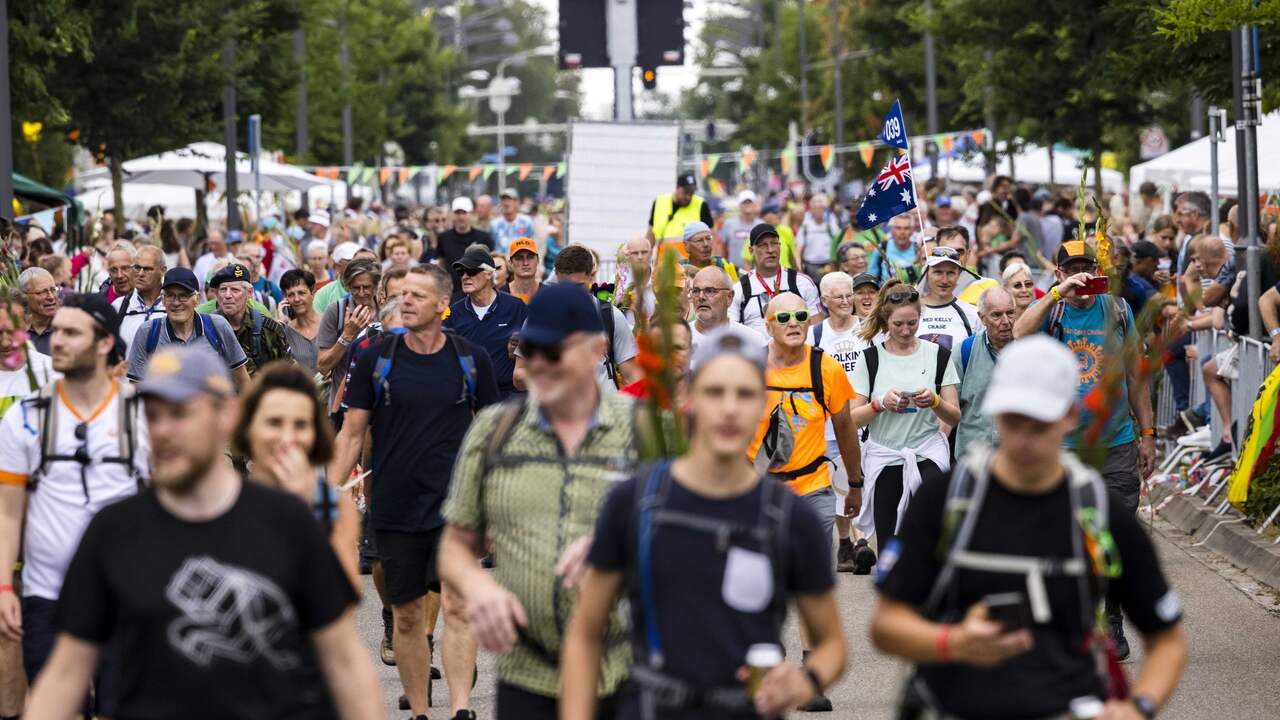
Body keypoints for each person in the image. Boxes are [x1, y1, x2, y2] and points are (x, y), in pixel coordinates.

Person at [24, 344, 381, 719]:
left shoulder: (291, 522)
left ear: (226, 414)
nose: (161, 430)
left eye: (179, 414)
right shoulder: (114, 531)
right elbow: (65, 674)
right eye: (151, 416)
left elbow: (344, 662)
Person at [870, 336, 1187, 720]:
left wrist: (1139, 707)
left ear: (1070, 415)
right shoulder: (946, 498)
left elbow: (1167, 638)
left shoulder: (1097, 511)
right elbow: (886, 624)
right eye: (1012, 420)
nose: (1023, 438)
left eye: (1039, 423)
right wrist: (953, 643)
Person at [561, 325, 848, 720]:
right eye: (715, 392)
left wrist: (807, 680)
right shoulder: (635, 502)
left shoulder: (789, 517)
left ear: (763, 404)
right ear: (692, 399)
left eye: (745, 394)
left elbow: (832, 644)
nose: (730, 408)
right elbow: (586, 633)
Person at [438, 282, 641, 720]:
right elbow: (455, 545)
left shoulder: (644, 433)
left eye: (554, 353)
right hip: (527, 676)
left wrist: (613, 548)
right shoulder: (494, 432)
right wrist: (477, 587)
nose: (538, 366)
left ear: (596, 350)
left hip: (624, 672)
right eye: (529, 352)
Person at [329, 264, 500, 720]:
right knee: (405, 616)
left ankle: (462, 708)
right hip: (396, 506)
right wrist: (324, 496)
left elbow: (490, 437)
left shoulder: (470, 359)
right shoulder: (376, 359)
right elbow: (349, 435)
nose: (405, 301)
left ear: (442, 305)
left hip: (457, 507)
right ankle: (421, 712)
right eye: (403, 294)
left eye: (417, 295)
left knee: (459, 608)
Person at [0, 294, 147, 717]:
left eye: (71, 332)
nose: (56, 340)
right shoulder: (27, 416)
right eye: (56, 330)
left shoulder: (143, 415)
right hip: (48, 597)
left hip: (125, 595)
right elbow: (8, 513)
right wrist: (6, 587)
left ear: (104, 343)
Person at [1013, 239, 1155, 658]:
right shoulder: (1050, 309)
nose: (1082, 274)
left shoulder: (1117, 310)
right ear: (1058, 272)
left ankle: (1112, 621)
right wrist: (1057, 293)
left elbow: (1135, 376)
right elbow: (1019, 333)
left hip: (1115, 444)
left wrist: (1147, 433)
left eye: (1087, 266)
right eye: (1072, 267)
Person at [746, 292, 862, 712]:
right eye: (785, 317)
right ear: (768, 323)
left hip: (813, 487)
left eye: (800, 315)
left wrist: (855, 481)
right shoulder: (751, 367)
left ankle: (812, 679)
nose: (795, 322)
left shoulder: (825, 368)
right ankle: (766, 664)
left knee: (813, 583)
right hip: (760, 490)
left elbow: (846, 427)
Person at [847, 281, 961, 554]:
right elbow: (852, 418)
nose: (906, 330)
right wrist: (880, 404)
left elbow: (955, 415)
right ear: (886, 320)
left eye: (912, 322)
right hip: (886, 457)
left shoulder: (938, 354)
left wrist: (934, 401)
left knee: (931, 535)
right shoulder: (870, 359)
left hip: (926, 454)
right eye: (898, 324)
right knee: (889, 540)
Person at [232, 361, 361, 587]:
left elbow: (342, 602)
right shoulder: (226, 502)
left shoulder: (333, 507)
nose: (287, 437)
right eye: (274, 422)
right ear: (249, 429)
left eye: (301, 424)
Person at [808, 271, 880, 574]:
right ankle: (846, 540)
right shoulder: (816, 334)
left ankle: (861, 540)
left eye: (849, 295)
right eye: (838, 296)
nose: (846, 301)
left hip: (864, 418)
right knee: (838, 483)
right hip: (828, 421)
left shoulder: (868, 330)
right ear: (824, 301)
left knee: (862, 479)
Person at [513, 246, 642, 390]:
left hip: (603, 407)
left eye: (578, 286)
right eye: (565, 285)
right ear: (556, 274)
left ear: (591, 275)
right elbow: (518, 377)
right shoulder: (539, 317)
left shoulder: (610, 315)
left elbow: (631, 376)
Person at [126, 268, 250, 387]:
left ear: (197, 300)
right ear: (163, 300)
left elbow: (242, 379)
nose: (176, 302)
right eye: (170, 295)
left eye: (183, 295)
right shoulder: (148, 332)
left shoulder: (217, 326)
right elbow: (136, 387)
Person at [445, 243, 528, 398]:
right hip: (468, 397)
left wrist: (517, 351)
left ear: (489, 274)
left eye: (471, 271)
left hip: (507, 397)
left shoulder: (516, 307)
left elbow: (533, 349)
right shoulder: (452, 312)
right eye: (461, 272)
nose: (465, 276)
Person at [952, 287, 1018, 458]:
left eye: (1010, 313)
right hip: (974, 459)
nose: (1005, 321)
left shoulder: (1028, 351)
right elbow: (950, 409)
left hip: (1017, 460)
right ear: (982, 318)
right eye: (996, 315)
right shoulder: (964, 351)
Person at [316, 258, 382, 418]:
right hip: (343, 405)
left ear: (376, 285)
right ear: (347, 287)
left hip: (379, 404)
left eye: (366, 287)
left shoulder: (386, 311)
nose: (361, 293)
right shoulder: (335, 311)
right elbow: (323, 366)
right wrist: (347, 335)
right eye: (355, 288)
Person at [731, 224, 822, 335]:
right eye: (763, 245)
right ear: (751, 251)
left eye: (774, 243)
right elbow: (733, 335)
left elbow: (816, 330)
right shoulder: (739, 290)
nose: (770, 250)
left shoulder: (802, 283)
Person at [208, 263, 293, 376]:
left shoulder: (268, 328)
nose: (227, 295)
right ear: (217, 294)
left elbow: (289, 370)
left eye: (235, 290)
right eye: (223, 289)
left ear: (249, 293)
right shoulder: (207, 328)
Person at [917, 246, 981, 352]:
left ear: (959, 275)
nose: (944, 280)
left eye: (951, 273)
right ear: (926, 273)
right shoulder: (909, 310)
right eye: (938, 272)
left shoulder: (973, 314)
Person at [689, 266, 767, 349]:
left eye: (710, 291)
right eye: (696, 291)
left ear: (729, 297)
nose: (701, 297)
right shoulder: (678, 338)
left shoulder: (753, 341)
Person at [436, 197, 495, 302]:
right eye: (457, 213)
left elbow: (491, 265)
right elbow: (442, 265)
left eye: (464, 213)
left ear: (471, 214)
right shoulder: (443, 238)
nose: (461, 217)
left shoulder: (483, 237)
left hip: (479, 291)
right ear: (452, 215)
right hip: (452, 292)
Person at [112, 244, 167, 353]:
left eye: (147, 269)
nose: (140, 274)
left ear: (162, 271)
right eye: (137, 268)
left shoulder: (174, 306)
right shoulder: (119, 306)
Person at [648, 172, 714, 260]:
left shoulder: (701, 204)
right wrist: (646, 257)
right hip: (663, 266)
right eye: (686, 192)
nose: (688, 197)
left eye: (691, 193)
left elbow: (712, 237)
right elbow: (650, 235)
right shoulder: (659, 202)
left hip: (690, 268)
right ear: (677, 188)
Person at [281, 269, 322, 373]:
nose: (296, 299)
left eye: (301, 293)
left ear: (313, 293)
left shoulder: (329, 324)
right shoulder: (285, 332)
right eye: (291, 295)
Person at [796, 193, 842, 280]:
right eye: (815, 208)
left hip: (829, 264)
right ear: (811, 209)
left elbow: (839, 241)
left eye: (821, 208)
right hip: (810, 265)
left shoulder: (831, 222)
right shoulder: (806, 224)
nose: (818, 210)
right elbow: (798, 248)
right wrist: (799, 267)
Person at [313, 242, 368, 313]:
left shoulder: (374, 290)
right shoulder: (323, 295)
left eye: (361, 260)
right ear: (337, 266)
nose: (359, 265)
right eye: (352, 261)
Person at [868, 215, 921, 284]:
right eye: (898, 228)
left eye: (906, 228)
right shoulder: (881, 248)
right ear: (892, 230)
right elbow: (872, 279)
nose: (902, 232)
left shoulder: (918, 249)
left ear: (912, 231)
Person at [235, 240, 284, 313]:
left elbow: (283, 313)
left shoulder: (269, 287)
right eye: (250, 257)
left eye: (258, 256)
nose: (255, 261)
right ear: (240, 259)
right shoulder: (232, 287)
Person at [19, 267, 60, 354]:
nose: (51, 297)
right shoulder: (15, 330)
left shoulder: (65, 328)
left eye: (53, 290)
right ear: (24, 296)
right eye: (42, 292)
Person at [719, 189, 765, 268]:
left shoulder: (761, 224)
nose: (747, 205)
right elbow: (722, 247)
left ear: (754, 205)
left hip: (756, 271)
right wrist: (722, 266)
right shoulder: (729, 224)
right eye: (744, 202)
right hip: (734, 271)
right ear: (739, 205)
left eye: (750, 202)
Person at [490, 188, 536, 254]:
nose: (506, 203)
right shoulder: (494, 224)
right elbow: (492, 247)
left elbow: (533, 244)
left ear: (517, 202)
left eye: (509, 200)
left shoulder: (527, 222)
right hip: (502, 261)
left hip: (521, 260)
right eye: (504, 200)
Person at [506, 236, 542, 304]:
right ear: (510, 262)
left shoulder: (549, 295)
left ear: (538, 260)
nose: (525, 263)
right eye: (519, 258)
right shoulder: (499, 296)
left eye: (530, 257)